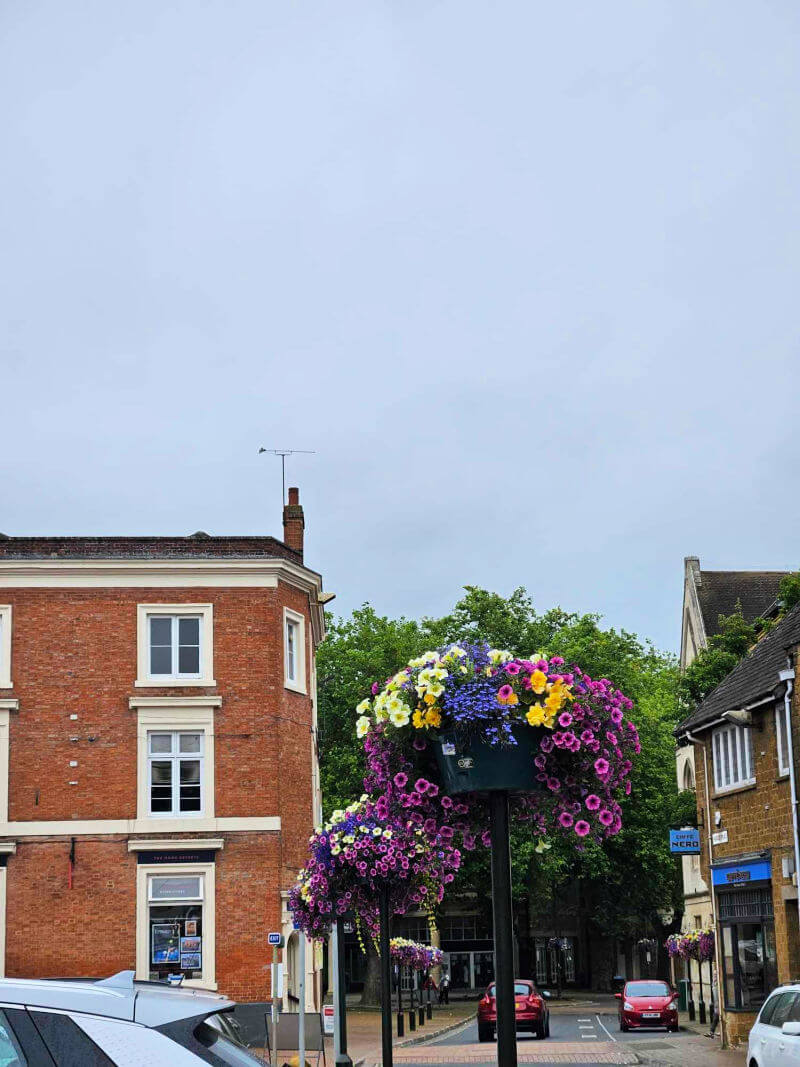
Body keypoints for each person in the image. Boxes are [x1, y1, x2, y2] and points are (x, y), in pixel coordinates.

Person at [707, 972, 719, 1038]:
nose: (714, 977)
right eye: (714, 976)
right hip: (717, 1004)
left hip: (719, 1005)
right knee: (716, 1017)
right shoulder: (714, 984)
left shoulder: (717, 985)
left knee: (716, 1017)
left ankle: (712, 1031)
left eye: (715, 975)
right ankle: (712, 1031)